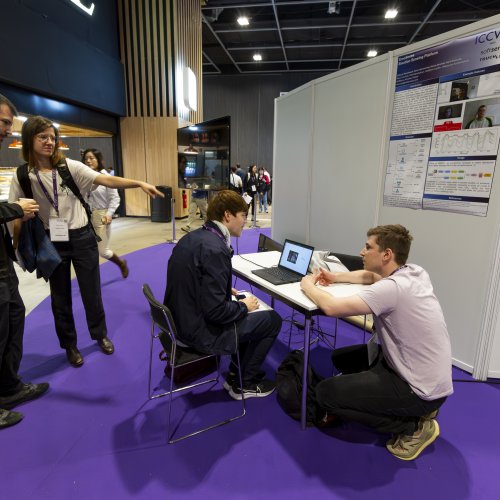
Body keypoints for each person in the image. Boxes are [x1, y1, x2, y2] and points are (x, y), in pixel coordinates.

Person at [9, 115, 164, 368]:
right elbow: (15, 212)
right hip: (51, 241)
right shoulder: (23, 175)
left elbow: (106, 180)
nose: (49, 142)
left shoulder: (68, 166)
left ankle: (99, 335)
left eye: (52, 137)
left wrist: (138, 183)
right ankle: (69, 345)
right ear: (29, 140)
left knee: (92, 292)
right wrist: (16, 246)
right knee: (60, 298)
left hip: (82, 237)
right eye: (42, 137)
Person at [300, 224, 453, 461]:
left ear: (386, 254)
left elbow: (332, 307)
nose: (362, 252)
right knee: (340, 359)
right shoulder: (414, 272)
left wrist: (308, 285)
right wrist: (335, 277)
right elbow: (370, 276)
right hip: (426, 375)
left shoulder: (391, 289)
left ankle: (413, 427)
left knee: (325, 394)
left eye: (368, 247)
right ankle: (419, 409)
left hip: (417, 388)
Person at [164, 190, 282, 399]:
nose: (245, 221)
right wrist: (243, 306)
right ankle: (245, 384)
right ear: (228, 215)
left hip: (179, 324)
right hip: (198, 333)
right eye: (243, 215)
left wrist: (222, 290)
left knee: (244, 308)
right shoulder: (216, 249)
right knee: (272, 320)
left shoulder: (193, 238)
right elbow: (217, 312)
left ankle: (237, 372)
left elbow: (192, 281)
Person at [0, 95, 49, 428]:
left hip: (3, 264)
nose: (7, 130)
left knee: (13, 321)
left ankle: (8, 388)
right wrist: (16, 209)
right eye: (4, 122)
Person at [82, 148, 128, 278]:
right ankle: (91, 278)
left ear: (99, 160)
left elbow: (115, 198)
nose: (88, 161)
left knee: (103, 251)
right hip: (85, 216)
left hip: (101, 215)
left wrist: (109, 214)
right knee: (88, 249)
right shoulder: (84, 177)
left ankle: (121, 263)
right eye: (86, 159)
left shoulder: (106, 177)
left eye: (91, 158)